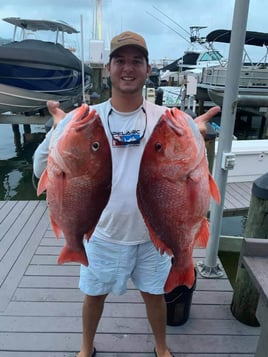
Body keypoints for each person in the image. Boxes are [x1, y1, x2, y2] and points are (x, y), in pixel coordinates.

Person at [33, 31, 221, 357]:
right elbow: (40, 170)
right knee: (93, 295)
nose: (128, 68)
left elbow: (195, 176)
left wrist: (197, 132)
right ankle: (85, 347)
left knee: (154, 295)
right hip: (101, 231)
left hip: (154, 235)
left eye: (137, 61)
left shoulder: (167, 120)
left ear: (148, 69)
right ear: (108, 69)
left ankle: (161, 347)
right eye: (120, 61)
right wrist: (56, 130)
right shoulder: (86, 119)